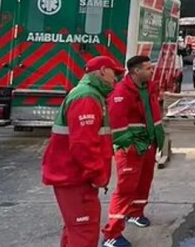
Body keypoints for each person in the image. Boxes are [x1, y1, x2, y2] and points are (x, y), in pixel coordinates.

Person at [41, 56, 124, 247]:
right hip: (77, 179)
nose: (116, 79)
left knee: (75, 230)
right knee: (84, 233)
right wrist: (97, 175)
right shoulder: (87, 97)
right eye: (114, 73)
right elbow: (83, 145)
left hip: (74, 177)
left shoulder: (90, 95)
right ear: (103, 70)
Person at [102, 56, 165, 247]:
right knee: (125, 188)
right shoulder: (121, 92)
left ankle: (135, 213)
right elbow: (117, 124)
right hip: (131, 149)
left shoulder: (148, 88)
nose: (152, 71)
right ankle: (111, 233)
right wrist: (129, 145)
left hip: (148, 144)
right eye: (148, 69)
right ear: (136, 71)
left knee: (144, 182)